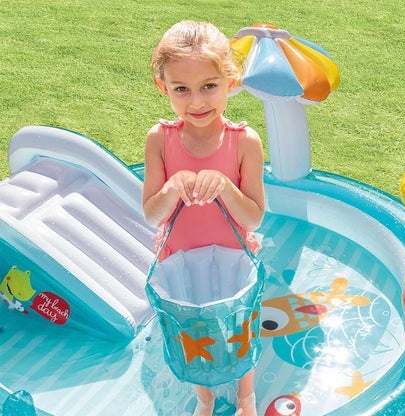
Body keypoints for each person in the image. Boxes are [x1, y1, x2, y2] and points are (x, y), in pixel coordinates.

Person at [142, 20, 265, 416]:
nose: (196, 102)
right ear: (164, 87)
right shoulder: (159, 139)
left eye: (209, 86)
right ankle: (205, 397)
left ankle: (246, 394)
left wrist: (226, 188)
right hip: (179, 256)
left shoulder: (244, 142)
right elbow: (151, 214)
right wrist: (173, 185)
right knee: (193, 329)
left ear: (231, 81)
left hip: (233, 253)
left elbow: (255, 216)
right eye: (182, 89)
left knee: (238, 325)